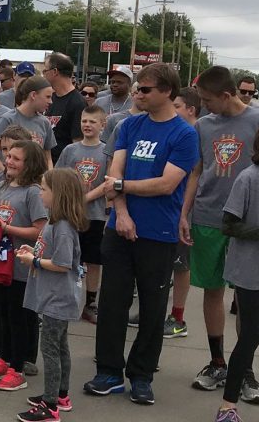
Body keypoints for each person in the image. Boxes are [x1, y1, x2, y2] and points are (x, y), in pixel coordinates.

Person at [83, 63, 199, 406]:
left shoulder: (184, 134)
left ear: (167, 91)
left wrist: (120, 186)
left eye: (145, 89)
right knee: (113, 303)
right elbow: (113, 172)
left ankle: (142, 375)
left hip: (159, 233)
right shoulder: (129, 125)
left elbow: (166, 184)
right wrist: (120, 211)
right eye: (138, 88)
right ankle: (108, 372)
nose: (138, 94)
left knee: (151, 309)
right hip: (120, 228)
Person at [182, 66, 259, 391]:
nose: (204, 105)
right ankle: (217, 363)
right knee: (212, 290)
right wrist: (184, 214)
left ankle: (244, 369)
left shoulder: (255, 120)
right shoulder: (203, 125)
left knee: (245, 298)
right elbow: (197, 172)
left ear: (226, 95)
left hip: (246, 225)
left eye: (208, 100)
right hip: (208, 217)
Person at [15, 169, 88, 421]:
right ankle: (60, 395)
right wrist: (33, 251)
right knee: (60, 347)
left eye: (44, 189)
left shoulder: (64, 227)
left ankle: (50, 405)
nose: (40, 193)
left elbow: (62, 263)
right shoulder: (54, 222)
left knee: (50, 349)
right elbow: (51, 252)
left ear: (59, 194)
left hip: (58, 299)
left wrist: (34, 261)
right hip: (55, 297)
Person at [0, 140, 49, 391]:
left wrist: (6, 228)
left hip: (21, 266)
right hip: (0, 263)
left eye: (16, 159)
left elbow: (40, 230)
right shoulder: (1, 186)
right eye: (8, 156)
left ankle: (18, 369)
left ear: (29, 164)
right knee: (2, 314)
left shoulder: (33, 192)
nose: (8, 161)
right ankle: (5, 358)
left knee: (19, 318)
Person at [215, 139, 259, 421]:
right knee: (251, 335)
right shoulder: (248, 178)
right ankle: (227, 406)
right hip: (250, 271)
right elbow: (228, 224)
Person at [56, 104, 108, 325]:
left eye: (92, 122)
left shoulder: (106, 152)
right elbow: (60, 178)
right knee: (69, 258)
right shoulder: (70, 151)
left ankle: (91, 302)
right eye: (84, 121)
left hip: (95, 216)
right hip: (71, 215)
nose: (87, 125)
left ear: (102, 126)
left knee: (93, 260)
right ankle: (64, 299)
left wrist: (84, 199)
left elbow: (107, 184)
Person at [165, 86, 200, 338]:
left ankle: (178, 319)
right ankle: (154, 312)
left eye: (177, 106)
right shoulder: (175, 131)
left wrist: (184, 212)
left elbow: (194, 177)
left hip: (185, 210)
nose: (173, 111)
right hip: (168, 208)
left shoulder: (194, 134)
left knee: (180, 264)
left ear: (191, 109)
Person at [0, 76, 56, 175]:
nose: (51, 101)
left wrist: (47, 180)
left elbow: (47, 159)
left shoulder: (44, 122)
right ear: (33, 95)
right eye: (47, 97)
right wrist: (9, 176)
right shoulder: (8, 119)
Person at [43, 53, 85, 163]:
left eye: (45, 71)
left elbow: (78, 143)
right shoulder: (50, 98)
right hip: (45, 164)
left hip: (63, 167)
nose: (43, 75)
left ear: (55, 72)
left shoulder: (78, 103)